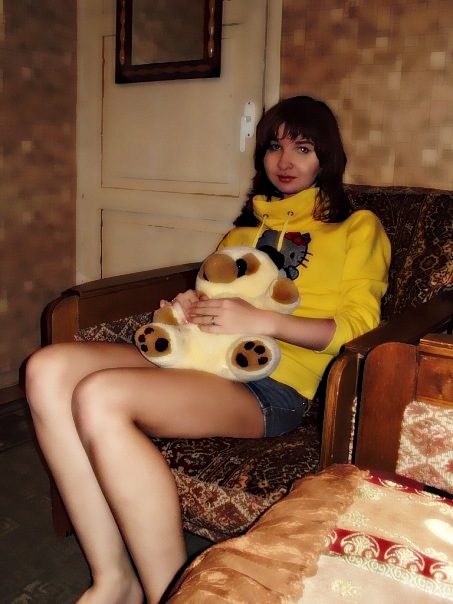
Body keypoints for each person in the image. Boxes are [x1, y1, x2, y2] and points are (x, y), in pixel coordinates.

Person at [25, 95, 391, 604]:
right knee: (46, 369)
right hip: (203, 358)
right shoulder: (244, 230)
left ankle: (171, 592)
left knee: (99, 396)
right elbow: (217, 298)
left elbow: (361, 327)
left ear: (326, 158)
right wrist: (189, 306)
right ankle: (114, 579)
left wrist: (263, 321)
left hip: (273, 385)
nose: (285, 161)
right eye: (274, 147)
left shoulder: (357, 228)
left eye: (302, 148)